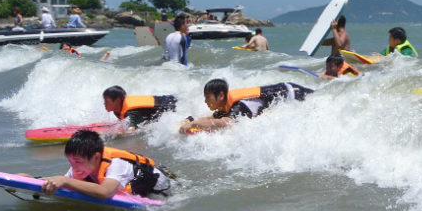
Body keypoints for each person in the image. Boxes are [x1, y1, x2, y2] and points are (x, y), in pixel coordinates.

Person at [39, 130, 174, 199]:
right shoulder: (80, 166)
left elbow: (105, 192)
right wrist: (26, 178)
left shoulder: (116, 164)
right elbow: (57, 182)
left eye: (78, 162)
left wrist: (65, 181)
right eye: (71, 162)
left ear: (96, 157)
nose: (74, 168)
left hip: (160, 186)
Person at [178, 78, 314, 133]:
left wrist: (194, 124)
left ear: (220, 96)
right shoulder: (226, 104)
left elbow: (225, 123)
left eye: (208, 97)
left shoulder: (240, 105)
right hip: (288, 90)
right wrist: (191, 119)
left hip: (294, 92)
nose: (206, 101)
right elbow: (213, 117)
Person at [102, 85, 178, 130]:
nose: (104, 103)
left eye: (106, 101)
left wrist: (111, 135)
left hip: (173, 104)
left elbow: (131, 132)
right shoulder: (117, 110)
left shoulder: (132, 111)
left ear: (117, 101)